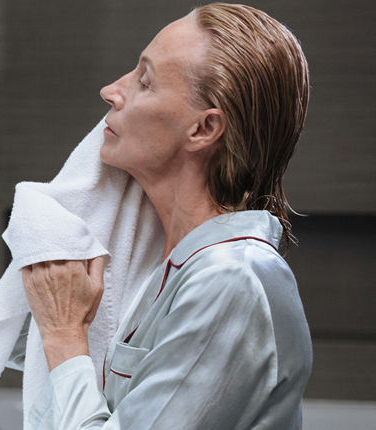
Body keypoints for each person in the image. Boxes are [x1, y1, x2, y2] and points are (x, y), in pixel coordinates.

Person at [20, 3, 312, 429]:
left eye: (144, 80)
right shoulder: (168, 264)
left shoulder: (232, 281)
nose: (110, 90)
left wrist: (64, 335)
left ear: (204, 129)